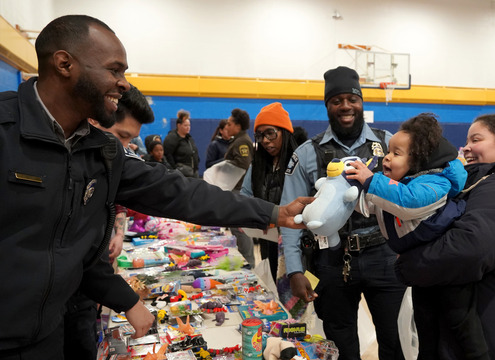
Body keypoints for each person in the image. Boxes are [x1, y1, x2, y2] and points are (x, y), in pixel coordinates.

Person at [0, 15, 310, 358]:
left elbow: (178, 193)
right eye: (115, 70)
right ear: (64, 64)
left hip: (48, 336)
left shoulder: (100, 152)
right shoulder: (6, 131)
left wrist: (273, 212)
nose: (124, 84)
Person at [280, 66, 406, 360]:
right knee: (339, 343)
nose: (346, 106)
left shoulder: (388, 143)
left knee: (395, 339)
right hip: (331, 262)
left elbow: (412, 196)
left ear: (362, 102)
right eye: (337, 101)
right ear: (328, 106)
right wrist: (295, 270)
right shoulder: (307, 153)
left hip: (385, 256)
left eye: (352, 99)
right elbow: (290, 218)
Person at [395, 114, 495, 359]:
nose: (467, 147)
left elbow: (468, 249)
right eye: (466, 140)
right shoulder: (484, 181)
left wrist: (406, 265)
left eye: (476, 139)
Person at [348, 113, 490, 360]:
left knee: (464, 331)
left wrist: (371, 181)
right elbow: (373, 205)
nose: (388, 157)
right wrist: (348, 192)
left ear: (418, 160)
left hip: (451, 273)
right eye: (388, 152)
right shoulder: (396, 185)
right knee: (426, 332)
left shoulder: (434, 184)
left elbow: (408, 203)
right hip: (425, 274)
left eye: (397, 153)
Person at [65, 84, 154, 360]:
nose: (125, 148)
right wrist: (127, 300)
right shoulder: (71, 168)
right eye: (121, 136)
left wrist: (118, 226)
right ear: (95, 119)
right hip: (68, 302)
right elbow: (73, 254)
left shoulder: (109, 158)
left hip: (89, 292)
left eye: (130, 141)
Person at [241, 102, 298, 282]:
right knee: (273, 286)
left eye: (270, 133)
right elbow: (244, 195)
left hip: (296, 244)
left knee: (298, 296)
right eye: (260, 135)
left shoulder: (299, 164)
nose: (265, 140)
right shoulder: (257, 165)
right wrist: (259, 216)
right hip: (267, 240)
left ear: (285, 133)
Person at [224, 108, 257, 268]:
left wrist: (224, 168)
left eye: (230, 124)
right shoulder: (238, 140)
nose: (227, 126)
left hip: (239, 190)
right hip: (235, 190)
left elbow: (244, 166)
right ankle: (246, 261)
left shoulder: (242, 141)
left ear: (238, 126)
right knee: (238, 229)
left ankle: (249, 263)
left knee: (241, 229)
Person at [163, 109, 200, 177]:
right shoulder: (172, 138)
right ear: (179, 125)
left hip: (193, 172)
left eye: (189, 125)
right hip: (181, 174)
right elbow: (168, 155)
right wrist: (174, 169)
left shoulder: (189, 138)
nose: (188, 127)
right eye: (185, 125)